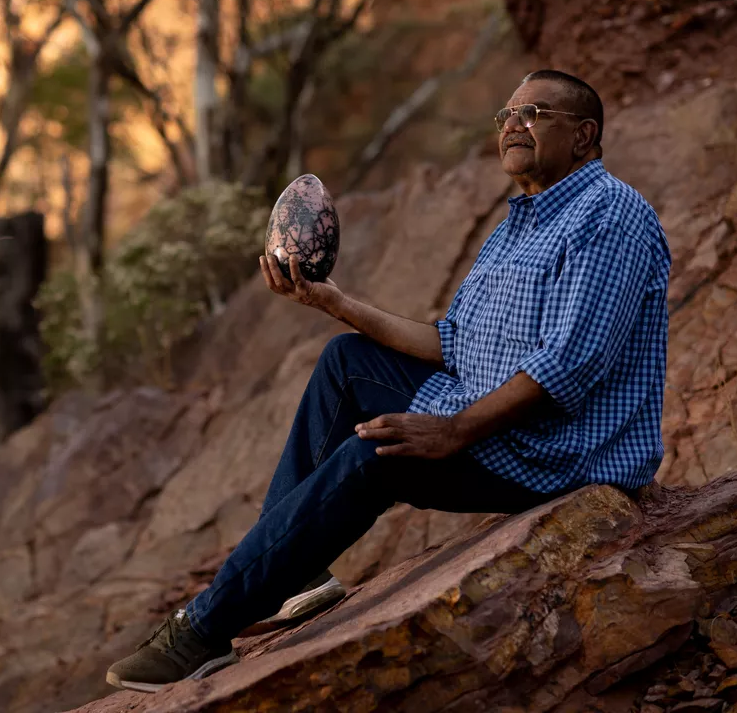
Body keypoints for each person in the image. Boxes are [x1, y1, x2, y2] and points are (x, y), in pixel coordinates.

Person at [105, 69, 672, 693]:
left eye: (535, 112)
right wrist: (335, 302)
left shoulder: (611, 214)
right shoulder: (519, 225)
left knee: (374, 451)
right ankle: (293, 572)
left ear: (585, 134)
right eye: (507, 114)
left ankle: (205, 628)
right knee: (347, 359)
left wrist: (453, 431)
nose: (512, 124)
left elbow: (570, 363)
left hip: (554, 452)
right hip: (489, 418)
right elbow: (451, 344)